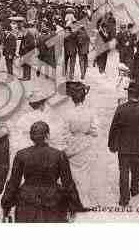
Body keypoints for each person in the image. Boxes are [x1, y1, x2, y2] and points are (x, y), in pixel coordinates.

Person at [1, 121, 83, 222]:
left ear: (32, 137)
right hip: (53, 203)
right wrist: (74, 206)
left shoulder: (21, 155)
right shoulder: (59, 155)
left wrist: (6, 204)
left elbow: (13, 182)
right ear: (47, 135)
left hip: (27, 204)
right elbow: (68, 183)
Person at [108, 82, 139, 206]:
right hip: (138, 148)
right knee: (136, 168)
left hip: (123, 148)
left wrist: (112, 145)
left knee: (123, 172)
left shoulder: (121, 109)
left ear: (128, 94)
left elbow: (114, 129)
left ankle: (124, 198)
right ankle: (134, 189)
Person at [61, 81, 98, 209]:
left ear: (72, 98)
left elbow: (64, 132)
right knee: (85, 174)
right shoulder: (90, 112)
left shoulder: (67, 113)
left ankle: (74, 201)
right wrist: (86, 132)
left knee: (73, 174)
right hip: (85, 144)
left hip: (72, 144)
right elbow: (95, 131)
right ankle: (86, 202)